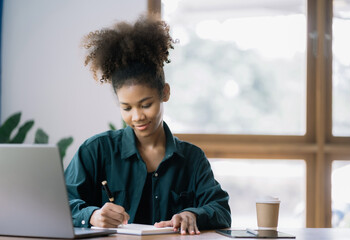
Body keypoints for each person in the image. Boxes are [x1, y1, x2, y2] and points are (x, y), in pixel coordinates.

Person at [64, 15, 231, 235]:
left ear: (165, 93)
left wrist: (192, 215)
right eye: (126, 108)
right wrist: (92, 215)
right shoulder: (95, 150)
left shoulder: (192, 159)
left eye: (146, 104)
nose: (137, 116)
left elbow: (220, 209)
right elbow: (60, 203)